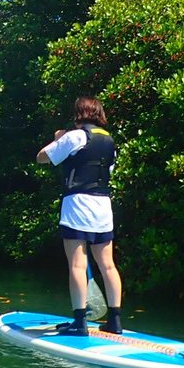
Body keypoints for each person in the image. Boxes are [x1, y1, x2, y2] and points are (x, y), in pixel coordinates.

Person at [35, 96, 124, 336]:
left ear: (79, 114)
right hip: (103, 205)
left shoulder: (74, 137)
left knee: (77, 263)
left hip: (78, 203)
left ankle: (79, 322)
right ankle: (115, 321)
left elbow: (42, 157)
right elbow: (107, 169)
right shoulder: (109, 140)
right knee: (107, 264)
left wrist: (58, 139)